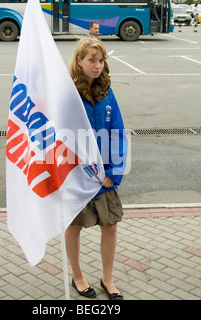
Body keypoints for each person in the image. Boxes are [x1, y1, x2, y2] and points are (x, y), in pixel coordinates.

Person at [66, 37, 127, 300]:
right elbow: (60, 136)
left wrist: (114, 172)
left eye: (101, 60)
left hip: (104, 176)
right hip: (77, 175)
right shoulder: (67, 92)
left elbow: (118, 132)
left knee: (110, 225)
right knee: (74, 226)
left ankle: (107, 278)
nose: (98, 65)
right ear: (79, 61)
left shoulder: (107, 91)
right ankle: (77, 276)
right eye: (92, 60)